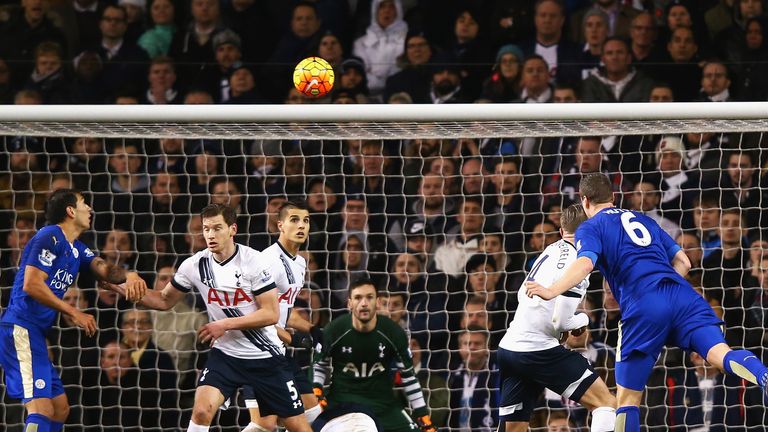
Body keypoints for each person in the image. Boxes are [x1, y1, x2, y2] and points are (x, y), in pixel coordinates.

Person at [525, 173, 768, 432]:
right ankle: (763, 374)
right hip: (683, 296)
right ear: (613, 197)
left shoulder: (590, 227)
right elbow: (684, 262)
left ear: (584, 200)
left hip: (643, 305)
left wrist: (551, 290)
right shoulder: (645, 219)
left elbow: (585, 263)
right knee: (722, 354)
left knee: (627, 398)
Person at [117, 203, 313, 432]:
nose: (210, 235)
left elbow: (271, 313)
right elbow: (163, 300)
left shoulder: (254, 262)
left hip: (264, 356)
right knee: (201, 411)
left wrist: (224, 324)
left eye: (217, 228)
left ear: (232, 229)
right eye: (206, 229)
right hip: (225, 355)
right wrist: (117, 286)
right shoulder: (194, 265)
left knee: (296, 426)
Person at [0, 188, 147, 432]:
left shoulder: (76, 248)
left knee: (60, 408)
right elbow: (32, 284)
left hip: (34, 333)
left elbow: (105, 270)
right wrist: (74, 311)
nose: (89, 209)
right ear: (70, 211)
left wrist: (130, 274)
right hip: (19, 328)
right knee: (41, 409)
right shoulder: (49, 236)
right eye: (84, 203)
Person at [498, 203, 616, 432]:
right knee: (606, 404)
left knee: (514, 428)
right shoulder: (579, 263)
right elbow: (561, 323)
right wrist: (583, 321)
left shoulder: (551, 249)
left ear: (562, 232)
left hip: (509, 348)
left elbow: (522, 293)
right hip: (537, 350)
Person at [312, 278, 437, 432]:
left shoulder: (394, 332)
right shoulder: (334, 330)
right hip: (341, 403)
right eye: (358, 298)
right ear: (349, 303)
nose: (364, 303)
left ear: (377, 302)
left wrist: (422, 414)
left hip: (383, 406)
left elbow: (408, 376)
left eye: (369, 297)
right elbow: (319, 364)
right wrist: (316, 389)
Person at [242, 201, 323, 431]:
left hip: (278, 351)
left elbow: (284, 309)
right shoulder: (268, 262)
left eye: (305, 221)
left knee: (312, 412)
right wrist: (291, 338)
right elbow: (253, 314)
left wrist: (312, 330)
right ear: (280, 225)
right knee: (265, 424)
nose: (301, 226)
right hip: (257, 350)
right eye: (294, 220)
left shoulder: (300, 262)